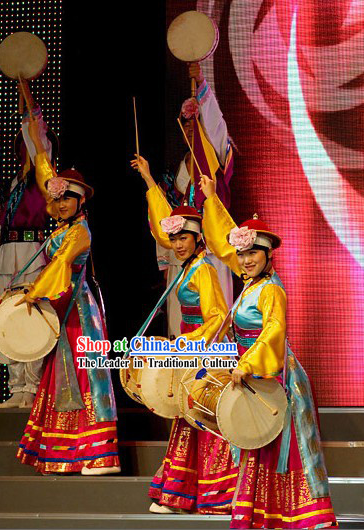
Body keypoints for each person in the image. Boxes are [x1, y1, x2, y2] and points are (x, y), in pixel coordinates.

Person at [198, 174, 337, 529]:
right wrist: (212, 198)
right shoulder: (251, 284)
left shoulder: (271, 290)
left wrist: (246, 364)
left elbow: (274, 330)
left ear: (268, 254)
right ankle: (261, 514)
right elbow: (220, 237)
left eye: (252, 253)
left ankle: (296, 517)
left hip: (273, 375)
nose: (244, 260)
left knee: (281, 450)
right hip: (252, 374)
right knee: (255, 444)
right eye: (241, 254)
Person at [131, 156, 238, 515]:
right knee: (186, 418)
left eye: (183, 238)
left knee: (203, 418)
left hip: (207, 350)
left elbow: (218, 316)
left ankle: (214, 494)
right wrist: (148, 178)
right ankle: (181, 493)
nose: (176, 244)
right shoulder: (189, 265)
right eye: (174, 239)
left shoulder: (204, 269)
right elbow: (162, 224)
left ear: (197, 238)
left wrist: (189, 346)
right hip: (191, 348)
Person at [15, 117, 120, 475]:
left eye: (67, 200)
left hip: (80, 312)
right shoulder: (62, 228)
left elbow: (60, 266)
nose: (60, 205)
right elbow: (44, 167)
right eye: (56, 200)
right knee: (60, 373)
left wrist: (36, 293)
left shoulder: (80, 233)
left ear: (80, 202)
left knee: (87, 373)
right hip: (62, 308)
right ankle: (64, 449)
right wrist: (35, 133)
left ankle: (98, 453)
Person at [157, 62, 234, 337]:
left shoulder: (215, 162)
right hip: (182, 255)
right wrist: (166, 257)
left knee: (213, 324)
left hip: (212, 253)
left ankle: (216, 376)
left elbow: (216, 125)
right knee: (179, 326)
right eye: (186, 124)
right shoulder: (178, 172)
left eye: (196, 122)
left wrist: (201, 85)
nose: (191, 129)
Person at [0, 80, 56, 409]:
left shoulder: (44, 180)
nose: (26, 148)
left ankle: (32, 389)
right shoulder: (16, 181)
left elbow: (37, 133)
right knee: (7, 314)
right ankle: (16, 386)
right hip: (8, 252)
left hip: (31, 251)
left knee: (30, 313)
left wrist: (26, 88)